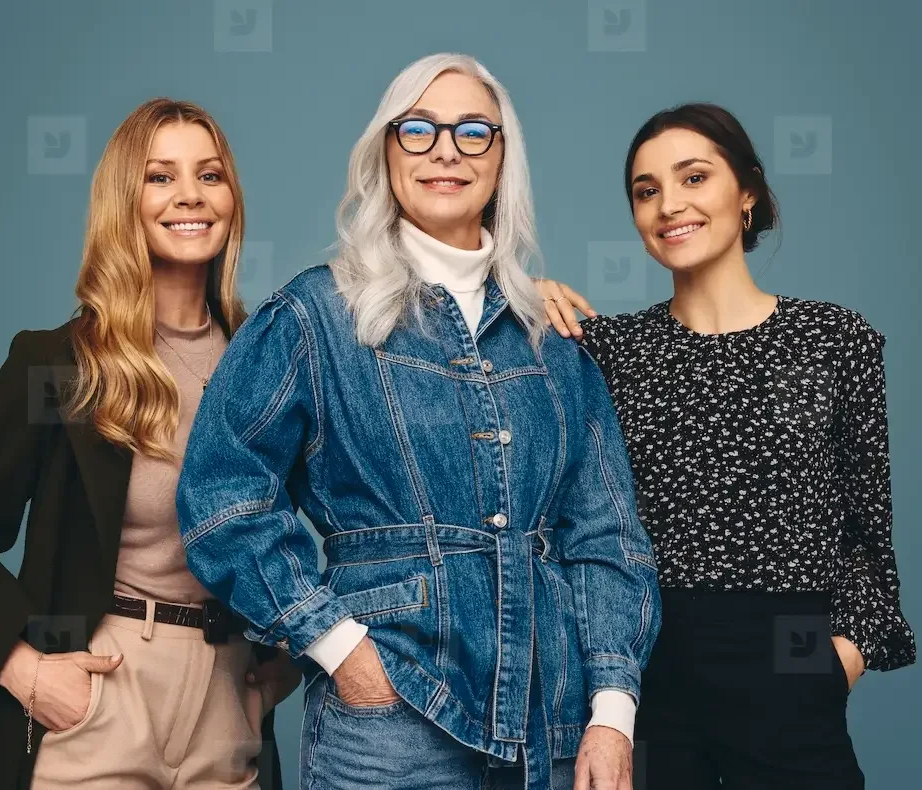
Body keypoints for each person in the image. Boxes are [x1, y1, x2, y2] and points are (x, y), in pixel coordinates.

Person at [176, 54, 661, 790]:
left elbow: (606, 538)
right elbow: (222, 497)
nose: (446, 150)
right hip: (390, 724)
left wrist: (612, 714)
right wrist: (339, 647)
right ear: (385, 151)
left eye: (474, 131)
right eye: (419, 129)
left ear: (503, 159)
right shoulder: (317, 316)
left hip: (551, 729)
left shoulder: (553, 342)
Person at [0, 98, 295, 790]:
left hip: (225, 701)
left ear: (232, 197)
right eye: (160, 177)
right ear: (126, 200)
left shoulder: (266, 365)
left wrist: (284, 668)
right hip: (100, 696)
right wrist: (26, 673)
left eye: (209, 175)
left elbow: (358, 511)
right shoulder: (57, 365)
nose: (189, 196)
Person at [534, 102, 916, 789]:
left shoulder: (835, 341)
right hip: (650, 668)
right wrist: (518, 295)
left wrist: (840, 661)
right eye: (646, 191)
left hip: (791, 661)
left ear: (747, 194)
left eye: (693, 178)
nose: (668, 205)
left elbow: (868, 540)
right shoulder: (608, 350)